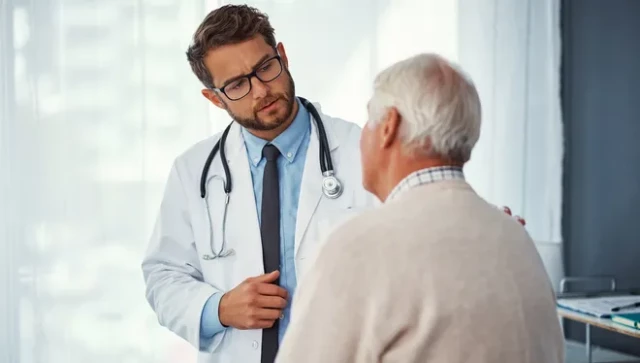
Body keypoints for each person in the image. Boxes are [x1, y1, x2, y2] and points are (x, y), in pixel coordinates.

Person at [141, 5, 526, 363]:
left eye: (266, 68)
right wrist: (218, 309)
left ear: (283, 57)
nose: (260, 90)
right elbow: (164, 276)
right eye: (238, 84)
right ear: (214, 98)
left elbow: (424, 227)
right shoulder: (193, 172)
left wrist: (479, 227)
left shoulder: (368, 149)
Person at [275, 53, 563, 363]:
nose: (361, 139)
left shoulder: (357, 247)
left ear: (388, 126)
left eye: (369, 121)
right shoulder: (517, 238)